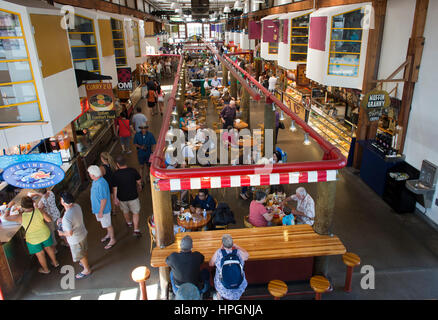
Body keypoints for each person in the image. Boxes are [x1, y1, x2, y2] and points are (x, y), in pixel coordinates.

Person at [3, 197, 58, 274]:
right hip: (45, 234)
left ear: (22, 207)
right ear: (32, 203)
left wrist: (9, 206)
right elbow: (49, 220)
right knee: (49, 248)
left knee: (40, 254)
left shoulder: (21, 216)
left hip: (33, 239)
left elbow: (5, 217)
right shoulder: (39, 211)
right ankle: (55, 263)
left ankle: (46, 270)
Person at [58, 192, 91, 279]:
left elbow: (69, 233)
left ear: (64, 203)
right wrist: (63, 220)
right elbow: (72, 216)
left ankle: (86, 270)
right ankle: (84, 262)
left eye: (61, 199)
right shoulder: (76, 206)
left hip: (75, 239)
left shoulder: (67, 217)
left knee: (80, 255)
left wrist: (61, 233)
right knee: (84, 250)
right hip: (83, 233)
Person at [209, 234, 248, 300]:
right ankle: (236, 297)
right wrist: (237, 246)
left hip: (223, 288)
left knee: (217, 274)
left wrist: (220, 249)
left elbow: (211, 264)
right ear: (232, 243)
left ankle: (219, 296)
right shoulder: (238, 252)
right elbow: (246, 255)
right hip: (238, 286)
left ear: (222, 244)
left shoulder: (219, 252)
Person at [112, 156, 142, 237]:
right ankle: (136, 229)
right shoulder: (133, 171)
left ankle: (129, 223)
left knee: (125, 211)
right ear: (126, 162)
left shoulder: (115, 174)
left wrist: (115, 198)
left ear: (117, 164)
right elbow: (139, 181)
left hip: (122, 197)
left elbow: (115, 188)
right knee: (135, 212)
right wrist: (139, 186)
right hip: (133, 196)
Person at [88, 165, 116, 250]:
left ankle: (112, 239)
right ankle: (109, 234)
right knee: (106, 224)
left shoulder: (101, 184)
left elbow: (104, 199)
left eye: (89, 173)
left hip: (103, 210)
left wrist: (101, 211)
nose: (89, 174)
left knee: (108, 225)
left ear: (93, 175)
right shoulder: (96, 181)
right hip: (98, 208)